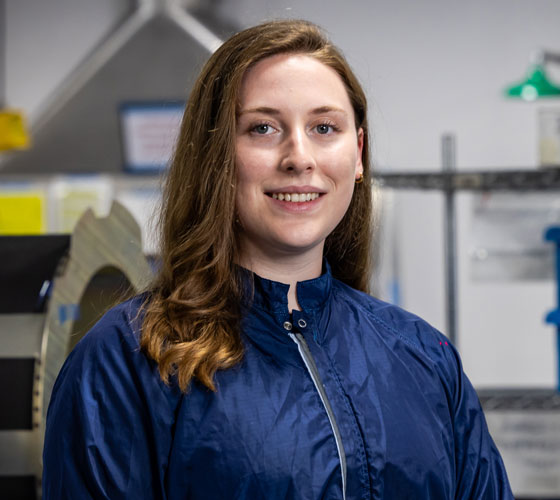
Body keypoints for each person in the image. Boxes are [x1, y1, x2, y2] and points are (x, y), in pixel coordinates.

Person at [42, 19, 513, 499]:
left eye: (324, 127)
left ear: (358, 154)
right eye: (263, 128)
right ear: (215, 155)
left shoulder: (423, 356)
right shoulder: (128, 361)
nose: (299, 157)